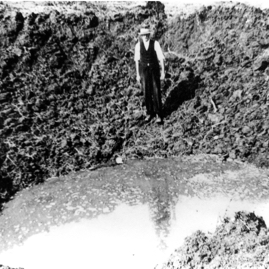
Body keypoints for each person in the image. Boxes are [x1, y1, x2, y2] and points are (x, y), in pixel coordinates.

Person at [134, 26, 165, 124]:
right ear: (141, 36)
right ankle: (149, 112)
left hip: (154, 69)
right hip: (144, 70)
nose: (145, 37)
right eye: (143, 35)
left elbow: (160, 58)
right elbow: (136, 60)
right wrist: (138, 74)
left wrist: (163, 71)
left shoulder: (155, 43)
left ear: (149, 35)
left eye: (146, 35)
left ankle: (158, 114)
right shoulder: (138, 45)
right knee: (146, 91)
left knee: (156, 90)